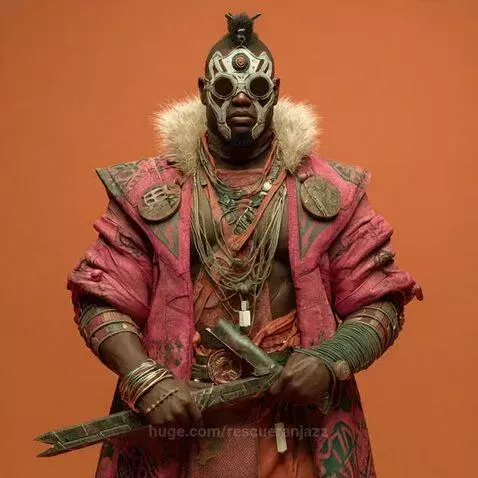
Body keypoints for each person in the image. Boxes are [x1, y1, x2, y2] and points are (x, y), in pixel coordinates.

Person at [67, 12, 421, 478]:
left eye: (255, 88)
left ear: (274, 92)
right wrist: (145, 378)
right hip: (178, 423)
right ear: (203, 91)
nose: (239, 99)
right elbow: (100, 298)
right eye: (223, 88)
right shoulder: (148, 191)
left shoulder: (330, 192)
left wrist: (331, 358)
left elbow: (382, 300)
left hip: (295, 427)